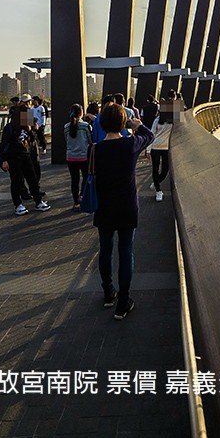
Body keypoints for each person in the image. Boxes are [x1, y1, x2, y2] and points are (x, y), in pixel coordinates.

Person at [91, 103, 154, 320]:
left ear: (101, 123)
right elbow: (150, 136)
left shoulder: (95, 149)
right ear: (123, 122)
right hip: (126, 206)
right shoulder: (131, 145)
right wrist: (138, 124)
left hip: (104, 206)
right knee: (126, 252)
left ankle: (108, 293)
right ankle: (123, 302)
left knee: (105, 250)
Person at [0, 105, 50, 215]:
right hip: (13, 157)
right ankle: (18, 204)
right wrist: (4, 160)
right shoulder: (9, 128)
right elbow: (4, 145)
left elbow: (31, 140)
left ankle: (38, 201)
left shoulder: (26, 127)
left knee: (32, 179)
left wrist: (31, 130)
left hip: (26, 155)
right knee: (17, 181)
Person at [63, 105, 92, 211]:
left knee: (74, 179)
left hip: (70, 157)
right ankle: (82, 196)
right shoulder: (85, 126)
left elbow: (66, 140)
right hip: (83, 157)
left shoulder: (66, 127)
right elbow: (90, 141)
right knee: (85, 177)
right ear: (81, 113)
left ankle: (76, 202)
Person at [147, 101, 174, 202]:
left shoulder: (174, 121)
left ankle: (155, 183)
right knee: (155, 168)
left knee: (165, 170)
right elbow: (152, 134)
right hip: (156, 147)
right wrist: (148, 149)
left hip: (167, 148)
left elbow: (184, 112)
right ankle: (158, 191)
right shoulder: (157, 120)